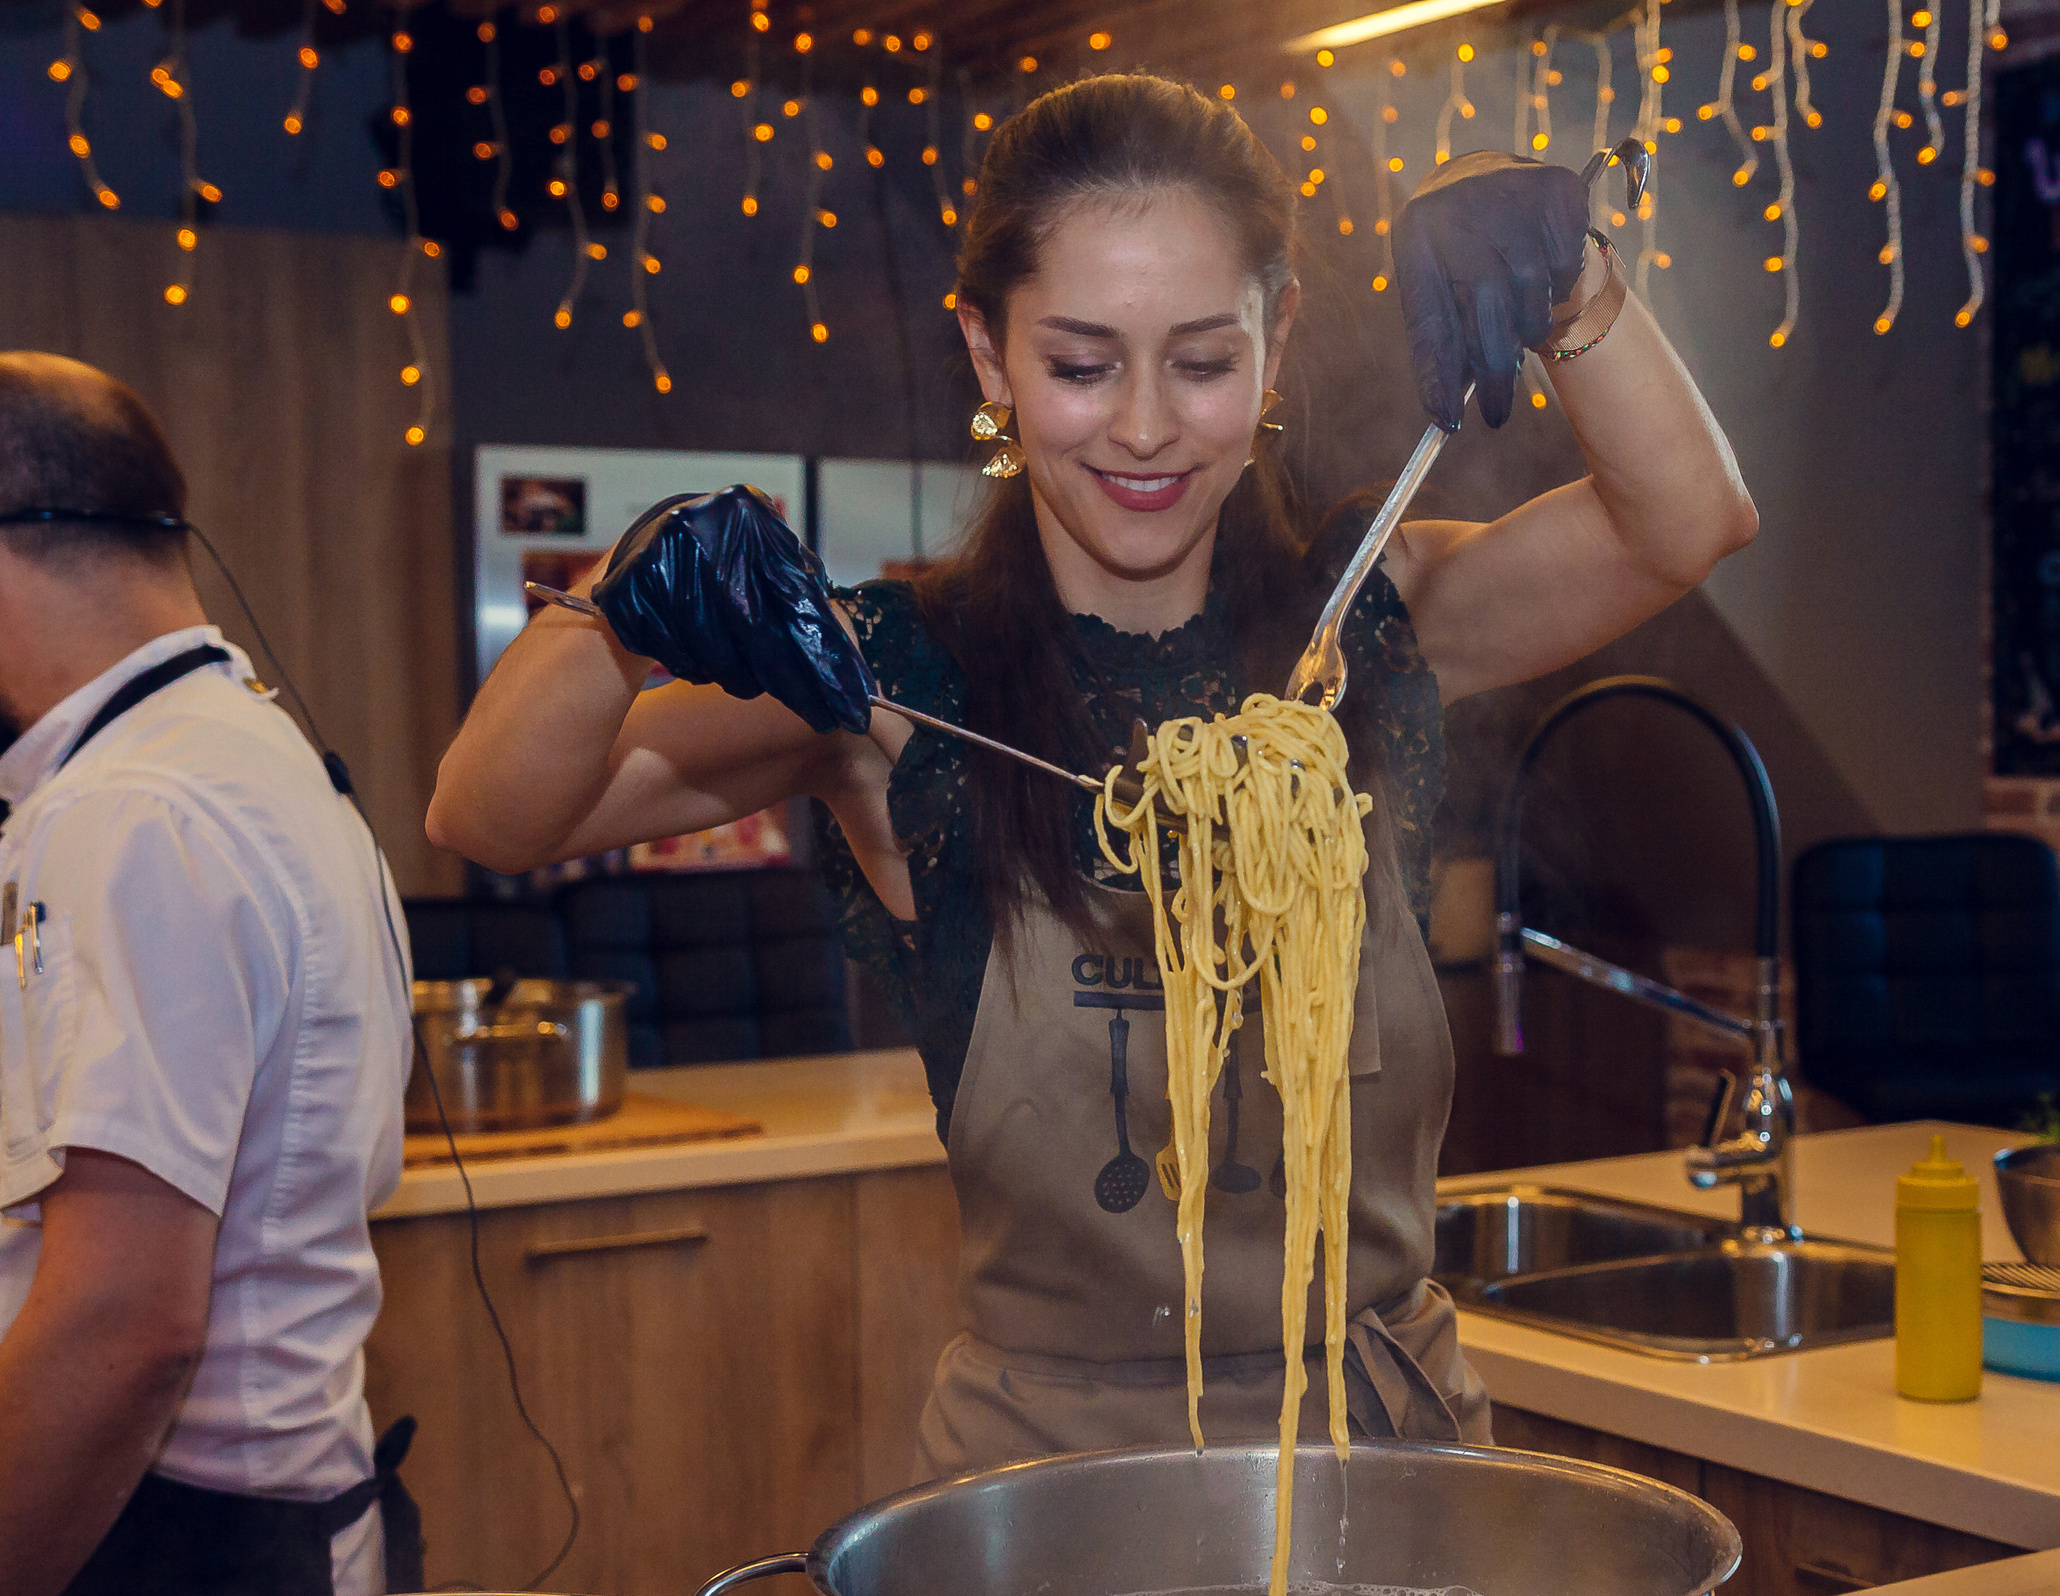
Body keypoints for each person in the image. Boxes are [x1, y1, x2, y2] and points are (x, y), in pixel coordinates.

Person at [428, 75, 1756, 1475]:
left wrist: (1574, 289)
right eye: (1078, 364)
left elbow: (1686, 523)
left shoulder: (1362, 622)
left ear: (1276, 339)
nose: (1142, 428)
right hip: (1049, 1494)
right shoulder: (885, 685)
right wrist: (621, 612)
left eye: (1199, 361)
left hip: (1386, 1461)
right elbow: (492, 814)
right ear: (990, 358)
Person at [0, 354, 418, 1596]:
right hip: (242, 1537)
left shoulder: (134, 811)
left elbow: (126, 1325)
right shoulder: (241, 750)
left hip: (180, 1563)